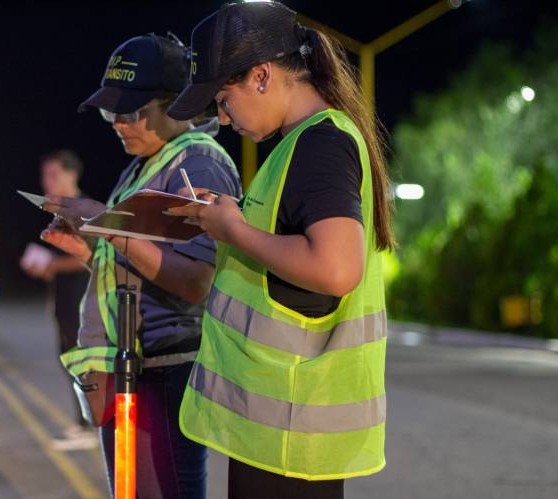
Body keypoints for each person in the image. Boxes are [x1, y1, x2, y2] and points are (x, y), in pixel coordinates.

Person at [166, 2, 394, 498]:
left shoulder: (321, 145)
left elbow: (335, 269)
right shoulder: (301, 144)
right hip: (280, 427)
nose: (224, 120)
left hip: (292, 429)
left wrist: (235, 231)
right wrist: (227, 217)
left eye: (224, 100)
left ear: (262, 75)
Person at [41, 33, 241, 499]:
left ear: (174, 105)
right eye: (111, 113)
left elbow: (195, 281)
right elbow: (143, 260)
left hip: (169, 369)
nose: (116, 124)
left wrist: (109, 228)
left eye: (129, 112)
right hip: (137, 364)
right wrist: (90, 249)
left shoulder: (198, 167)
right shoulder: (144, 163)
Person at [21, 149, 96, 450]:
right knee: (69, 358)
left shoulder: (83, 209)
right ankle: (83, 421)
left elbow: (89, 256)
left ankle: (91, 423)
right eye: (44, 175)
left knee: (83, 360)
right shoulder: (60, 211)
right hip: (63, 298)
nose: (47, 181)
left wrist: (52, 265)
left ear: (72, 174)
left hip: (83, 298)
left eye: (54, 174)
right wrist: (45, 268)